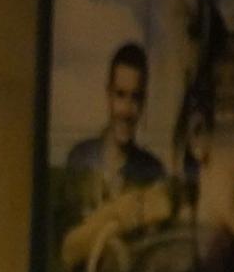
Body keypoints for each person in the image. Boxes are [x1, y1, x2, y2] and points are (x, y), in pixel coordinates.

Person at [65, 43, 165, 200]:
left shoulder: (153, 173)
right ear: (108, 95)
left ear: (143, 102)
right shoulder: (79, 159)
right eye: (120, 94)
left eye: (135, 98)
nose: (126, 110)